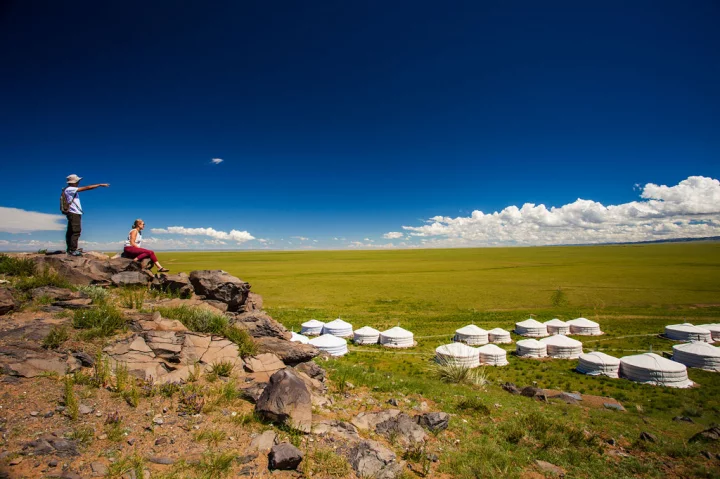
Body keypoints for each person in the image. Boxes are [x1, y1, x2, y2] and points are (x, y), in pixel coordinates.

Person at [63, 174, 110, 256]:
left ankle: (70, 249)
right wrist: (99, 185)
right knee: (76, 231)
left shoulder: (68, 189)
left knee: (71, 231)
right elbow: (87, 188)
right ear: (74, 182)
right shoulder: (70, 189)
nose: (79, 182)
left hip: (73, 212)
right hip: (74, 213)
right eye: (78, 181)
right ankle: (73, 250)